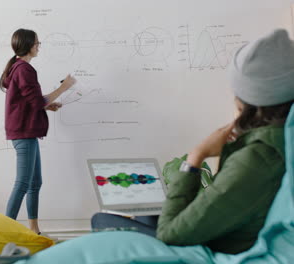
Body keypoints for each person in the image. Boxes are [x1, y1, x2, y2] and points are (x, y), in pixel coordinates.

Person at [91, 28, 294, 254]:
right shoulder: (284, 138)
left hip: (210, 248)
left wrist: (195, 158)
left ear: (248, 100)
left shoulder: (256, 158)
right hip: (228, 229)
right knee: (145, 212)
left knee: (102, 220)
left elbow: (170, 234)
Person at [0, 28, 76, 234]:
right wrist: (64, 87)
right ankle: (5, 232)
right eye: (37, 43)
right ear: (28, 46)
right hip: (24, 133)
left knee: (35, 183)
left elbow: (30, 101)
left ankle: (34, 229)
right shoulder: (24, 69)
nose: (38, 46)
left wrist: (47, 106)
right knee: (23, 183)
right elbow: (35, 101)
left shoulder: (18, 67)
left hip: (26, 132)